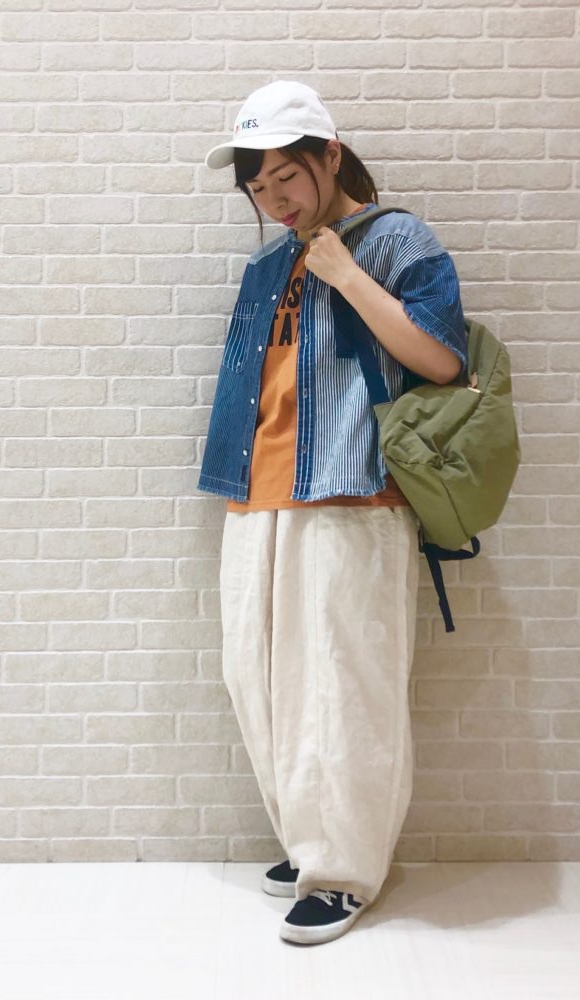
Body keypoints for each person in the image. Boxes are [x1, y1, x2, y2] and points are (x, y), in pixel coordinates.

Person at [197, 80, 468, 946]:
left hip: (353, 490)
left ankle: (344, 870)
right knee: (259, 676)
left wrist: (347, 275)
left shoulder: (396, 240)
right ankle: (311, 839)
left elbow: (442, 361)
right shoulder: (267, 265)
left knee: (342, 685)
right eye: (259, 188)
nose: (275, 200)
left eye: (287, 177)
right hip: (258, 492)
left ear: (331, 156)